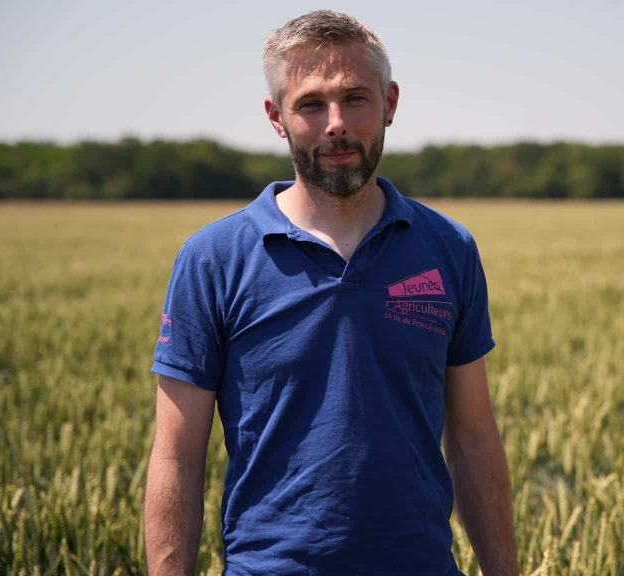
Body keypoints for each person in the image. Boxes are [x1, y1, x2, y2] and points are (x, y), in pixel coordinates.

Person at [144, 10, 517, 575]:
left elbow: (472, 435)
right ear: (277, 117)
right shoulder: (213, 259)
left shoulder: (449, 248)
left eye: (355, 98)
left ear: (390, 102)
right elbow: (177, 454)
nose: (335, 123)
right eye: (311, 104)